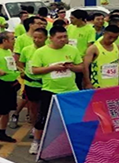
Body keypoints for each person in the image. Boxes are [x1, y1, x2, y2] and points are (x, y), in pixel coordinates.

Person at [28, 26, 84, 155]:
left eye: (65, 36)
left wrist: (71, 67)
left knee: (75, 118)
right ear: (51, 38)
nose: (63, 39)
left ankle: (73, 144)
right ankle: (36, 142)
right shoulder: (41, 52)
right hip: (50, 90)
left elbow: (81, 67)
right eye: (59, 37)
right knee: (43, 119)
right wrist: (53, 68)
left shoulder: (72, 49)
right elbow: (34, 70)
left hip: (71, 90)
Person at [83, 25, 119, 89]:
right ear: (104, 33)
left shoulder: (117, 47)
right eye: (110, 37)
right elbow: (85, 67)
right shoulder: (93, 48)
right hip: (98, 86)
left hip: (115, 85)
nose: (112, 40)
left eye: (115, 38)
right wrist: (88, 83)